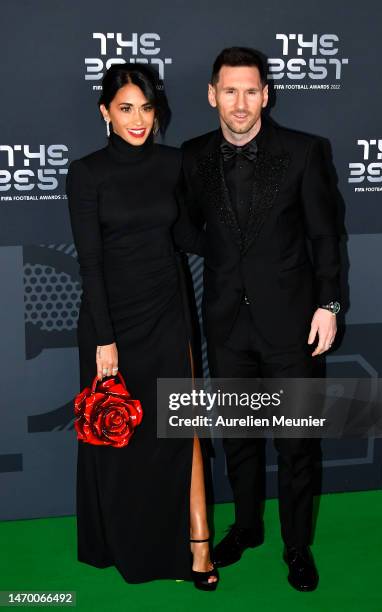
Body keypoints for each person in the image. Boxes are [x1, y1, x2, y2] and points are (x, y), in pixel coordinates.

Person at [175, 47, 341, 592]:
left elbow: (325, 236)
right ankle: (246, 528)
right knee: (239, 439)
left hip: (293, 326)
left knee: (296, 445)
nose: (240, 103)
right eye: (229, 91)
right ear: (211, 95)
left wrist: (329, 304)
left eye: (251, 91)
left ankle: (297, 545)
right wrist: (225, 257)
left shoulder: (304, 153)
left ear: (266, 95)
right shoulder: (194, 156)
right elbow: (183, 227)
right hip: (226, 324)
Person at [66, 63, 218, 590]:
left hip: (167, 313)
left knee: (182, 429)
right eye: (126, 108)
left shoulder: (174, 164)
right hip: (112, 323)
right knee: (119, 436)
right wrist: (105, 338)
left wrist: (247, 242)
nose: (138, 119)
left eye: (147, 108)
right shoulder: (87, 173)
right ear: (104, 111)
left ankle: (197, 547)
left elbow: (184, 233)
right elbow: (90, 262)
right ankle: (125, 544)